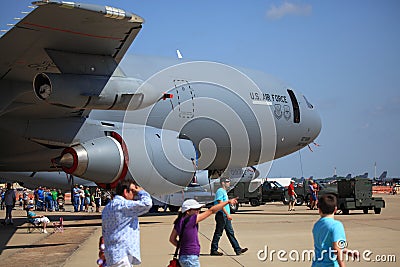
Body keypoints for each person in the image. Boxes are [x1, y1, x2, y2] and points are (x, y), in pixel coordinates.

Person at [169, 198, 238, 267]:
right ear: (188, 211)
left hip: (183, 257)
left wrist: (184, 247)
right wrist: (227, 202)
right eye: (196, 209)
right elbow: (211, 210)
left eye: (199, 209)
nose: (198, 211)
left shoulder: (179, 221)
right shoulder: (191, 220)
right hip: (191, 258)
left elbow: (172, 239)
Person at [102, 179, 152, 266]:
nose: (134, 194)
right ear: (125, 192)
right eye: (133, 191)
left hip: (111, 254)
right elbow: (147, 204)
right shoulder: (124, 205)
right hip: (122, 254)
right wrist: (142, 192)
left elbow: (105, 231)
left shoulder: (107, 208)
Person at [312, 194, 359, 267]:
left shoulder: (317, 225)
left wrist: (348, 252)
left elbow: (326, 245)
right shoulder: (336, 226)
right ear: (335, 209)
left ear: (319, 210)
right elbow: (336, 248)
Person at [210, 177, 248, 256]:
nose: (229, 183)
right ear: (223, 183)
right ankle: (214, 250)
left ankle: (238, 249)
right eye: (227, 182)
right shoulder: (220, 191)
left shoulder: (224, 191)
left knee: (230, 233)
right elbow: (220, 204)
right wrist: (227, 214)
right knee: (218, 233)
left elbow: (225, 203)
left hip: (225, 216)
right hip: (222, 215)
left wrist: (231, 202)